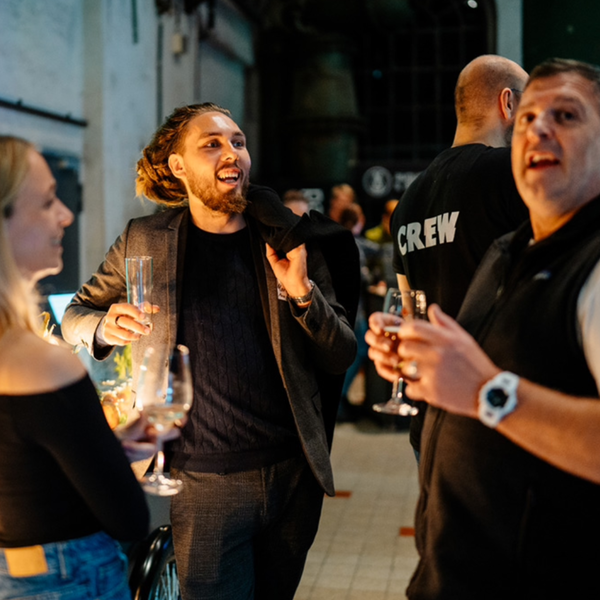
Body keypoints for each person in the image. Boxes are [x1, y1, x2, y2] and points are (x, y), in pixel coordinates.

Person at [61, 103, 359, 600]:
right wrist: (105, 327)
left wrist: (304, 295)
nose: (232, 153)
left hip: (291, 477)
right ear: (178, 166)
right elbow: (75, 314)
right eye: (212, 144)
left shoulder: (287, 240)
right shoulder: (145, 241)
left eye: (238, 142)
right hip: (204, 483)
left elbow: (340, 354)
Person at [369, 58, 600, 598]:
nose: (538, 128)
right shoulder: (504, 253)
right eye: (529, 117)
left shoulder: (590, 265)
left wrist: (486, 392)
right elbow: (423, 319)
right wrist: (413, 354)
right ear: (508, 113)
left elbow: (486, 383)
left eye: (565, 115)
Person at [0, 136, 150, 600]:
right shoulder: (38, 361)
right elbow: (128, 517)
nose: (66, 214)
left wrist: (107, 446)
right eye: (47, 202)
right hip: (65, 579)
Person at [384, 54, 529, 456]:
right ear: (508, 103)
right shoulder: (507, 173)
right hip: (497, 411)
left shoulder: (409, 202)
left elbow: (409, 310)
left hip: (431, 417)